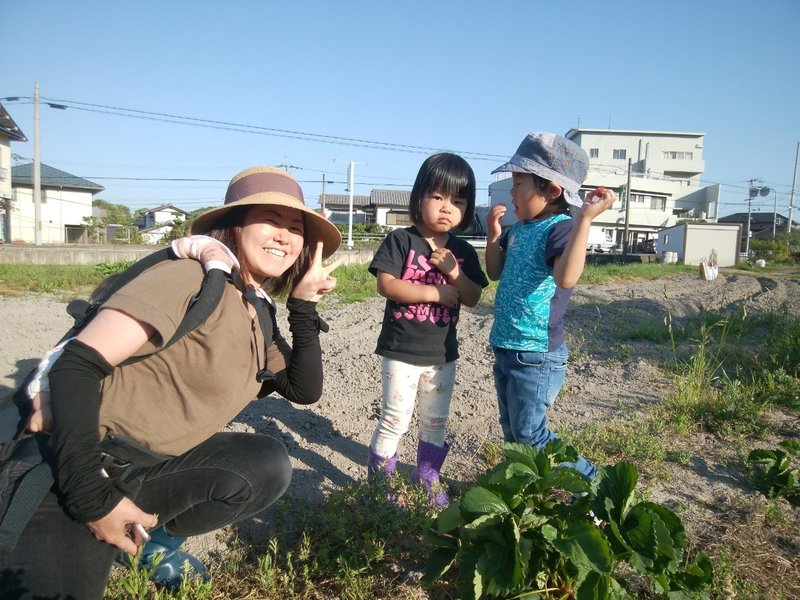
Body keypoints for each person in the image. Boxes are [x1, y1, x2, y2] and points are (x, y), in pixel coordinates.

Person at [0, 166, 344, 599]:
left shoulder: (256, 308)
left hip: (147, 467)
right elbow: (76, 366)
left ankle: (150, 546)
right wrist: (93, 499)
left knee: (265, 463)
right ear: (235, 226)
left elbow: (303, 389)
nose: (284, 236)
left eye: (295, 228)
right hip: (78, 459)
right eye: (270, 220)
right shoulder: (192, 277)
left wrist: (303, 307)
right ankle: (108, 520)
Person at [485, 133, 616, 480]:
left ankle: (595, 483)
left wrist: (585, 220)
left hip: (536, 353)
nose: (511, 192)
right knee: (513, 432)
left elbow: (566, 278)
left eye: (518, 183)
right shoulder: (519, 230)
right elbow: (495, 272)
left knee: (531, 434)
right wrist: (493, 235)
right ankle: (526, 490)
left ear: (552, 190)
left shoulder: (561, 229)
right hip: (507, 346)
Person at [367, 153, 489, 507]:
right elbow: (387, 285)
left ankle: (428, 475)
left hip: (442, 357)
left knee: (435, 422)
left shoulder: (463, 251)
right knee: (394, 419)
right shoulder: (401, 241)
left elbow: (473, 297)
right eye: (437, 197)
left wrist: (453, 272)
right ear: (419, 197)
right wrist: (434, 292)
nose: (446, 207)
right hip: (401, 353)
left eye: (458, 201)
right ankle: (380, 485)